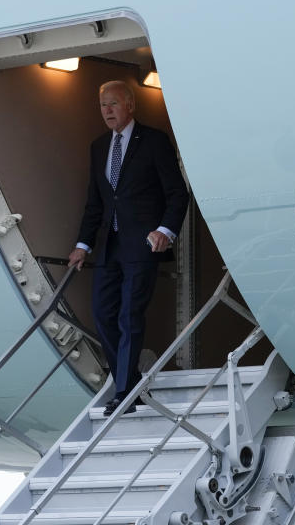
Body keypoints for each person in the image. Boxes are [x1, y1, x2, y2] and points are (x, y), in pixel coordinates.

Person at [68, 80, 189, 416]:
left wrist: (165, 230)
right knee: (103, 313)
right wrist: (82, 244)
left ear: (130, 106)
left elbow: (178, 193)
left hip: (142, 245)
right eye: (103, 105)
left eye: (113, 104)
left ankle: (124, 391)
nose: (107, 110)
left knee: (128, 314)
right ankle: (131, 379)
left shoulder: (153, 141)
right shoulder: (97, 146)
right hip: (109, 246)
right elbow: (96, 202)